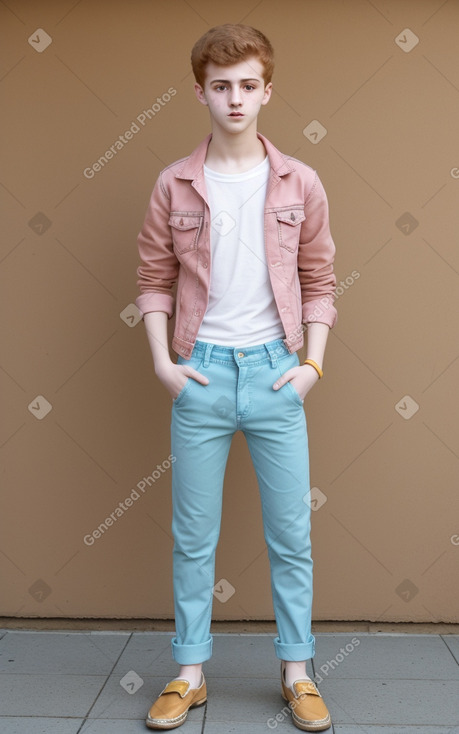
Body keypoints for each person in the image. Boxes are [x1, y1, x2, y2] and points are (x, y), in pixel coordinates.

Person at [135, 23, 337, 732]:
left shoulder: (298, 181)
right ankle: (189, 675)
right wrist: (165, 365)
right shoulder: (175, 183)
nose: (234, 98)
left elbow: (319, 280)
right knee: (194, 535)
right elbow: (153, 280)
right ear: (200, 92)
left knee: (291, 535)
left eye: (247, 85)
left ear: (266, 91)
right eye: (220, 86)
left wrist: (310, 366)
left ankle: (297, 673)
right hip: (203, 376)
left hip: (278, 373)